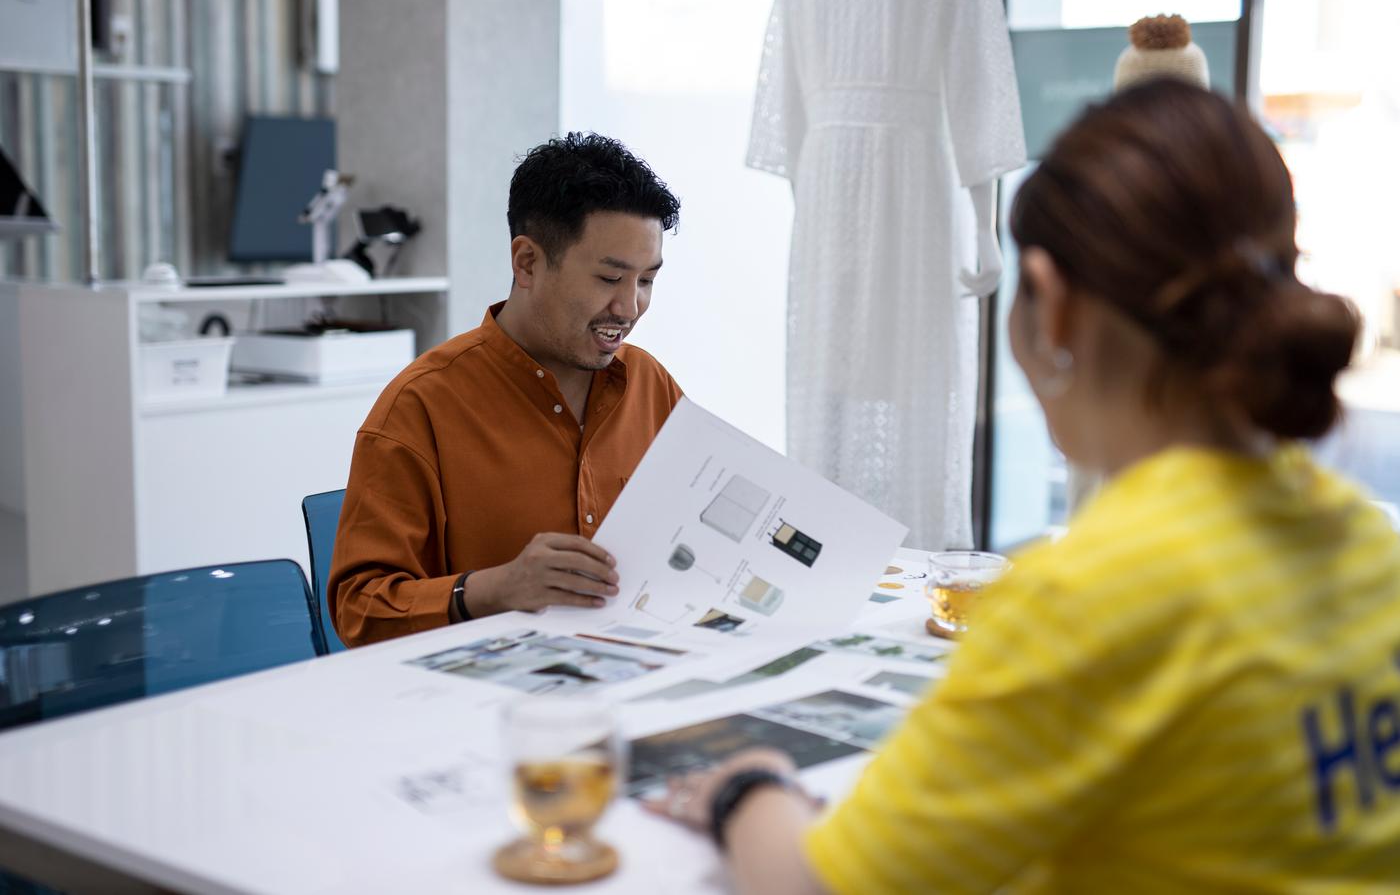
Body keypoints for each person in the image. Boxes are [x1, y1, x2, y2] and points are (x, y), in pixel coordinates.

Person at [647, 79, 1400, 891]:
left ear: (1050, 299)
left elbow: (809, 885)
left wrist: (745, 787)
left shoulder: (1091, 597)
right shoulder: (1367, 545)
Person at [329, 133, 683, 647]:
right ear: (527, 263)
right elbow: (359, 609)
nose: (629, 308)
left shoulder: (650, 384)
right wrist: (495, 588)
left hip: (636, 675)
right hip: (482, 706)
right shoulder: (422, 405)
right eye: (609, 278)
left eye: (646, 281)